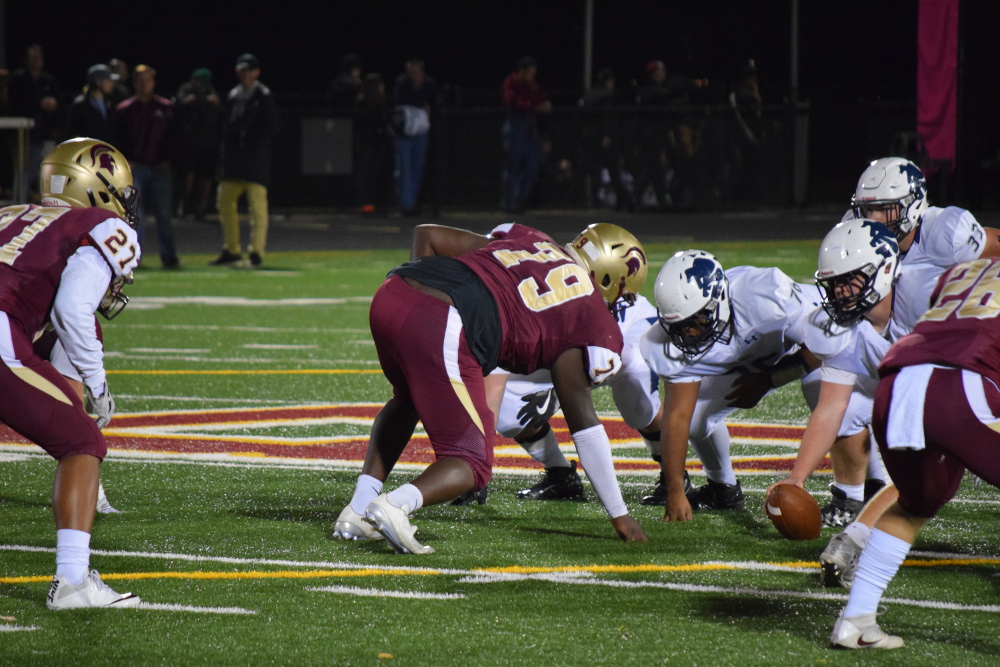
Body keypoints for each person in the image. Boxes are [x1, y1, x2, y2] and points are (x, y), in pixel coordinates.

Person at [334, 222, 648, 553]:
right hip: (444, 318)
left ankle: (357, 509)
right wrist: (620, 514)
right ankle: (396, 504)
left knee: (407, 399)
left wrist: (423, 302)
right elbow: (583, 421)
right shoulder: (590, 314)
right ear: (609, 280)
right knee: (472, 460)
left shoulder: (532, 239)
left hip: (394, 292)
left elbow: (427, 235)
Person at [815, 157, 1000, 586]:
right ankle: (857, 537)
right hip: (936, 349)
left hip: (969, 328)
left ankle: (856, 541)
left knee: (934, 464)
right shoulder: (859, 240)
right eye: (868, 209)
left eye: (886, 210)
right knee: (932, 464)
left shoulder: (946, 234)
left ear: (914, 205)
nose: (875, 219)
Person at [828, 256, 1000, 650]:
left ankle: (855, 621)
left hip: (898, 381)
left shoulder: (964, 270)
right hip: (959, 383)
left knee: (914, 506)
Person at [0, 137, 141, 608]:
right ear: (100, 188)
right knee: (83, 442)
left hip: (13, 325)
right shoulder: (97, 222)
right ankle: (73, 582)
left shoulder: (11, 213)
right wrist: (99, 389)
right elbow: (72, 309)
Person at [480, 224, 661, 503]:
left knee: (637, 386)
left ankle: (675, 473)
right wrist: (477, 459)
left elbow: (583, 406)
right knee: (507, 408)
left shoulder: (623, 320)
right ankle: (561, 474)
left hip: (610, 341)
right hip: (564, 334)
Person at [639, 250, 820, 521]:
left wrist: (767, 380)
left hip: (810, 346)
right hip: (745, 362)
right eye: (678, 325)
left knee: (826, 396)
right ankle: (724, 489)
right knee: (697, 419)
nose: (686, 333)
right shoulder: (669, 341)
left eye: (694, 321)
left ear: (718, 302)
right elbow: (677, 417)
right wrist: (676, 490)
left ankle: (855, 492)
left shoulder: (766, 298)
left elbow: (820, 351)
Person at [211, 54, 280, 268]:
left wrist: (248, 137)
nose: (246, 75)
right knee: (224, 202)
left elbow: (273, 127)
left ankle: (256, 251)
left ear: (256, 72)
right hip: (235, 161)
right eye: (242, 70)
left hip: (255, 161)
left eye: (249, 70)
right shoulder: (234, 94)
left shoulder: (263, 95)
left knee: (257, 209)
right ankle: (232, 249)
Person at [116, 64, 180, 269]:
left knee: (164, 214)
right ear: (134, 83)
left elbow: (175, 138)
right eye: (140, 80)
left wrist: (168, 160)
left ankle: (169, 256)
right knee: (135, 216)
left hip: (159, 168)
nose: (144, 84)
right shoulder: (124, 110)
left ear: (153, 82)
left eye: (148, 80)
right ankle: (134, 257)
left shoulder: (166, 108)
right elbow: (117, 139)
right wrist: (126, 161)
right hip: (135, 169)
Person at [500, 56, 551, 214]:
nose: (531, 76)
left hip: (531, 127)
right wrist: (534, 106)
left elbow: (542, 101)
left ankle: (519, 201)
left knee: (532, 166)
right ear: (522, 71)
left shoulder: (533, 86)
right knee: (513, 166)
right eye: (529, 73)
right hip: (516, 125)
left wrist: (544, 106)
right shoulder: (511, 83)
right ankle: (509, 202)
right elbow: (512, 101)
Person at [579, 68, 634, 212]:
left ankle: (596, 199)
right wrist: (607, 135)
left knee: (593, 169)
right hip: (603, 138)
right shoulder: (606, 96)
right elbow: (607, 118)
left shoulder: (589, 96)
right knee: (613, 170)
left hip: (589, 137)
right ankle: (624, 200)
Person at [7, 44, 59, 198]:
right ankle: (18, 201)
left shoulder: (47, 80)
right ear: (26, 60)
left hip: (46, 135)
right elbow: (15, 104)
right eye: (33, 58)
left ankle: (48, 203)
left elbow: (58, 103)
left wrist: (53, 105)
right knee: (25, 173)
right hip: (26, 136)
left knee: (48, 172)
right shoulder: (18, 79)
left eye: (39, 58)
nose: (37, 61)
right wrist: (39, 104)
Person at [391, 58, 440, 216]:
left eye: (416, 72)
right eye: (410, 72)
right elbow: (398, 100)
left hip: (421, 131)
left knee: (417, 168)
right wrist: (420, 104)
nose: (413, 75)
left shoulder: (429, 84)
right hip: (404, 131)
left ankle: (412, 203)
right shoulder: (402, 83)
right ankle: (406, 204)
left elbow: (436, 104)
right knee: (404, 168)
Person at [175, 68, 222, 221]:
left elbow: (217, 108)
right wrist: (202, 100)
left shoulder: (211, 91)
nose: (193, 82)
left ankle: (201, 206)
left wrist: (200, 101)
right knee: (187, 173)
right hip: (188, 142)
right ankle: (184, 204)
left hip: (207, 143)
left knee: (206, 176)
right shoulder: (186, 89)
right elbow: (181, 102)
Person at [353, 73, 394, 214]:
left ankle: (372, 204)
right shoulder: (367, 102)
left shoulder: (378, 102)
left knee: (371, 174)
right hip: (371, 143)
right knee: (368, 174)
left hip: (374, 143)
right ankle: (368, 205)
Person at [64, 64, 119, 145]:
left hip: (106, 153)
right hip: (88, 154)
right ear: (98, 82)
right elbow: (72, 134)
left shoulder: (110, 104)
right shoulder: (79, 106)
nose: (112, 84)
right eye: (108, 80)